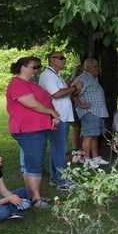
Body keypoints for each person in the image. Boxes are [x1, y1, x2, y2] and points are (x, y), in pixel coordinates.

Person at [6, 56, 59, 208]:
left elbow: (45, 101)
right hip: (27, 130)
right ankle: (35, 198)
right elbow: (32, 104)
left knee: (34, 162)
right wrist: (52, 112)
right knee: (35, 163)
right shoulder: (17, 84)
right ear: (23, 67)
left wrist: (53, 115)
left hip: (38, 128)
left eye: (39, 67)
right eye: (34, 67)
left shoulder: (32, 84)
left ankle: (33, 195)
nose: (37, 70)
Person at [39, 51, 83, 190]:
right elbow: (56, 94)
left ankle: (55, 178)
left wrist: (73, 90)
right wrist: (75, 88)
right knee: (60, 150)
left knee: (57, 149)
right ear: (51, 60)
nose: (64, 60)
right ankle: (63, 182)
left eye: (64, 57)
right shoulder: (47, 75)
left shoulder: (55, 75)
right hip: (57, 118)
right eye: (60, 57)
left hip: (61, 117)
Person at [73, 58, 110, 168]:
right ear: (88, 67)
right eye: (95, 67)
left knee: (94, 135)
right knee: (88, 136)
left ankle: (95, 158)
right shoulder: (83, 78)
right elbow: (73, 94)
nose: (98, 69)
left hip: (97, 111)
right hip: (90, 112)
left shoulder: (93, 78)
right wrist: (81, 105)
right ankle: (87, 160)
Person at [68, 65, 85, 163]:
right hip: (75, 107)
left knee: (85, 129)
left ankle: (80, 148)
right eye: (80, 71)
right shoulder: (73, 82)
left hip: (84, 108)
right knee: (76, 128)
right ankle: (75, 149)